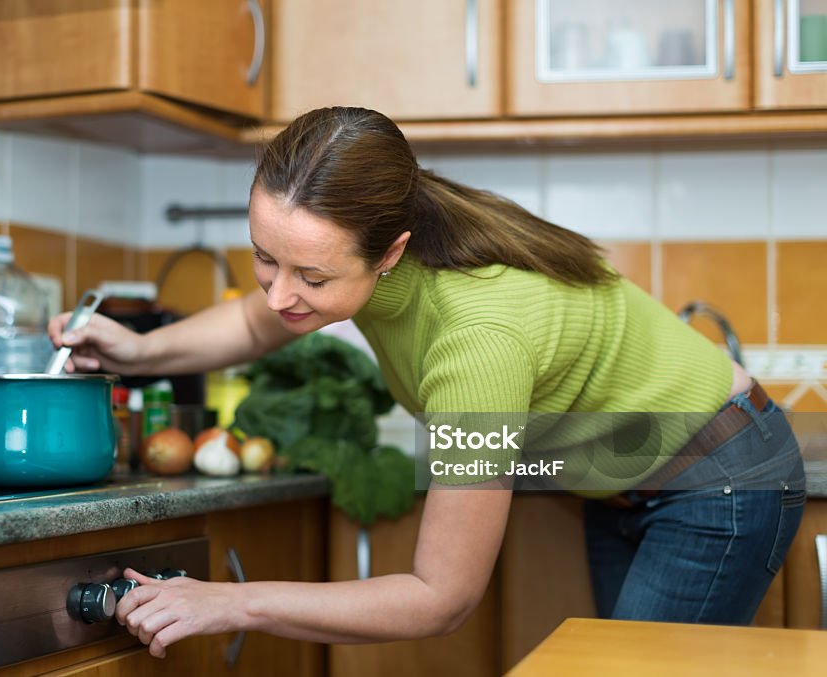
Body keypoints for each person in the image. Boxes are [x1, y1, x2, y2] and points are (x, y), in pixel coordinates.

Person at [49, 107, 806, 658]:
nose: (281, 293)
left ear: (390, 252)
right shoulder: (375, 254)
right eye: (264, 257)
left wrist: (227, 600)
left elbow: (440, 596)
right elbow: (255, 323)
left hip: (720, 480)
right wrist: (134, 350)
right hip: (622, 483)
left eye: (311, 274)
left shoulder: (475, 339)